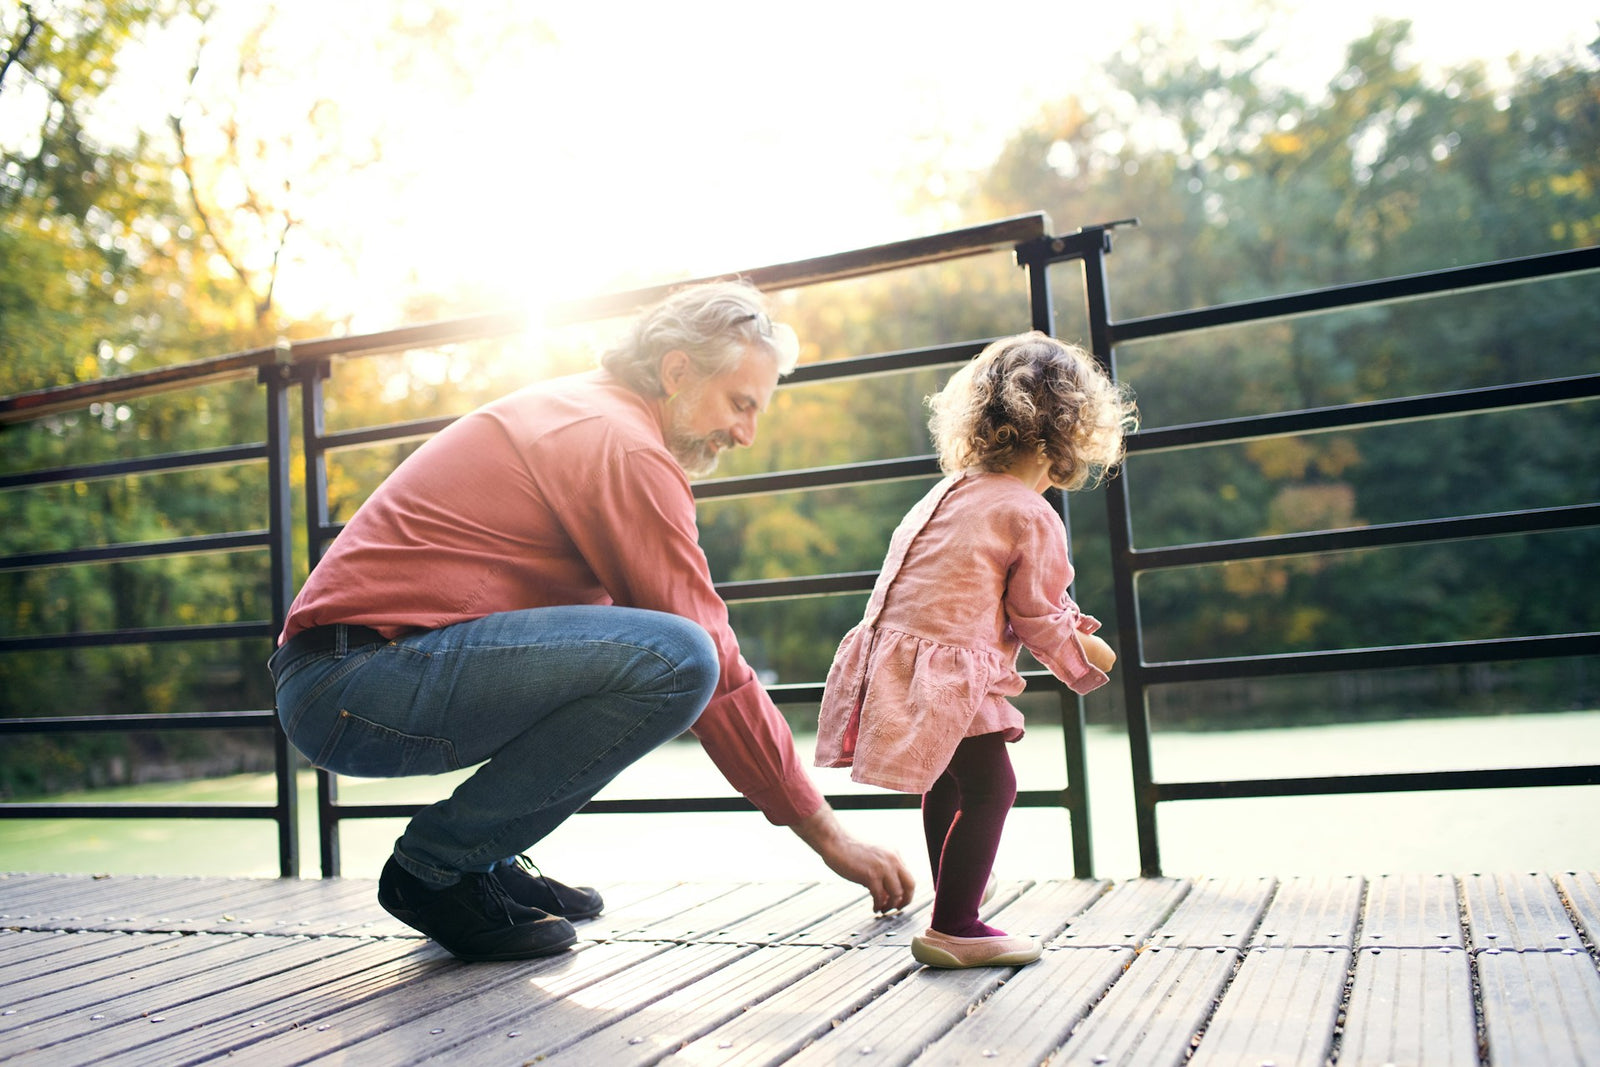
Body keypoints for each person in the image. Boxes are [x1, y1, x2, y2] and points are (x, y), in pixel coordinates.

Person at [268, 280, 914, 963]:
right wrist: (827, 833)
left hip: (345, 680)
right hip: (355, 681)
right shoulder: (623, 445)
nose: (746, 434)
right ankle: (439, 865)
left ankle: (483, 853)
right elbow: (714, 667)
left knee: (652, 646)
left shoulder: (587, 409)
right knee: (680, 657)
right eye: (740, 403)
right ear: (677, 371)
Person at [815, 332, 1135, 969]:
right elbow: (1038, 613)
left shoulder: (951, 490)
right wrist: (1086, 654)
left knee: (952, 778)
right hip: (951, 669)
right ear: (1069, 438)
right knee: (993, 786)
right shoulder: (1027, 512)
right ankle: (955, 923)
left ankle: (951, 894)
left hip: (906, 660)